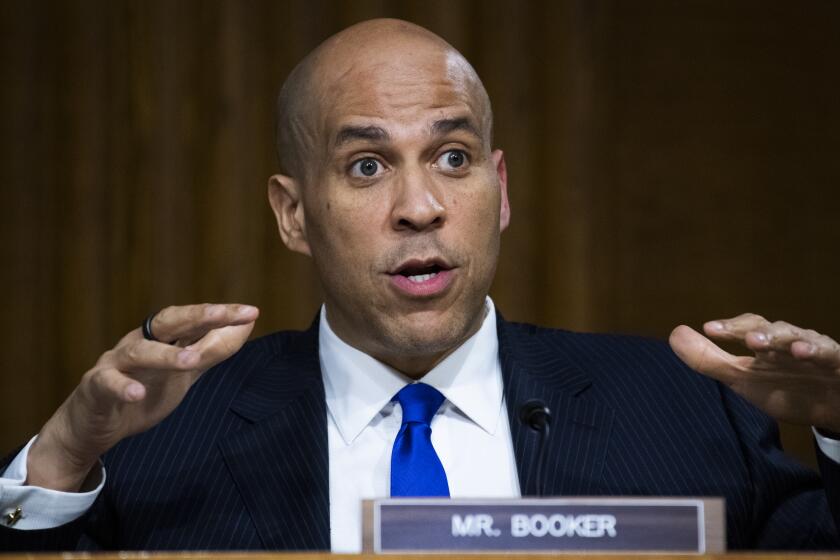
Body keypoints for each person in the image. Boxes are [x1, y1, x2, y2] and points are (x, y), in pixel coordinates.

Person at [2, 18, 840, 552]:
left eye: (452, 157)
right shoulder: (162, 437)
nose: (421, 207)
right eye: (366, 166)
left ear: (500, 190)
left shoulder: (684, 406)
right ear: (293, 215)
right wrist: (67, 456)